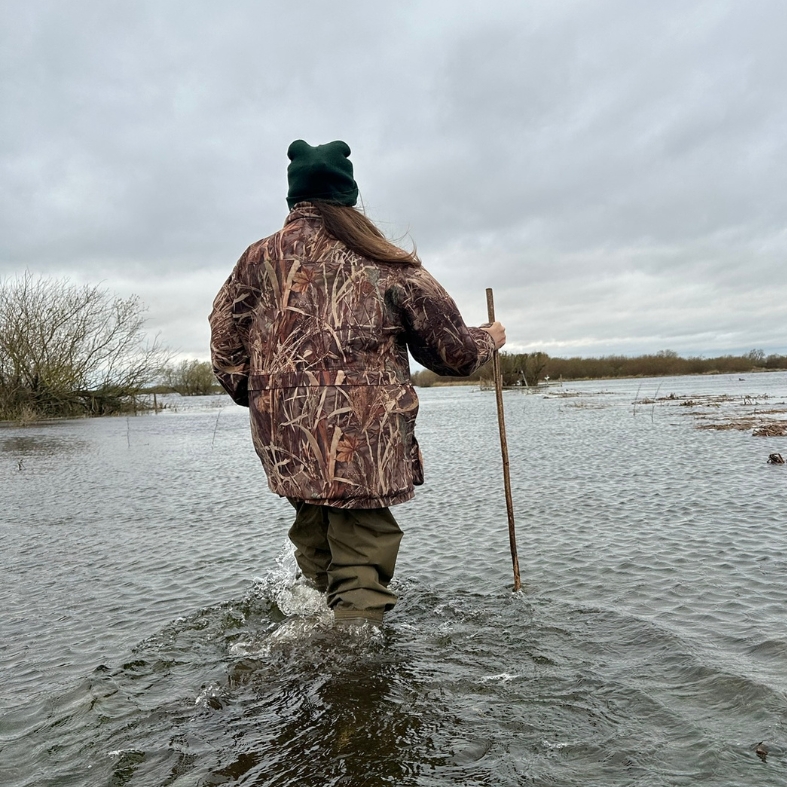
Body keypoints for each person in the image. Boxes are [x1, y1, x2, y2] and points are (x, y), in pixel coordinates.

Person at [209, 139, 506, 625]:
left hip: (289, 438)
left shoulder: (255, 260)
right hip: (362, 442)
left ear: (294, 197)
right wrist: (490, 338)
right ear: (348, 195)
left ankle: (309, 655)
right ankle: (355, 679)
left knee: (315, 543)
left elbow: (224, 342)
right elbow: (452, 352)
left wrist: (262, 397)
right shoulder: (385, 260)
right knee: (361, 561)